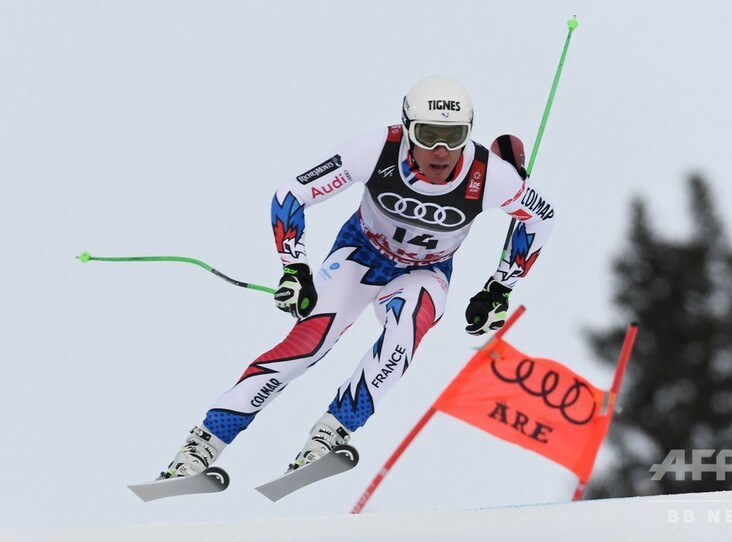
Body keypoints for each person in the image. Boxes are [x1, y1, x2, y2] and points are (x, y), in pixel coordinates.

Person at [159, 75, 556, 478]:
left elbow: (541, 218)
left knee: (404, 332)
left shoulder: (491, 176)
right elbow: (290, 195)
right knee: (308, 346)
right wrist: (294, 267)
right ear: (407, 128)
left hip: (426, 270)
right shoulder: (374, 149)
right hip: (360, 256)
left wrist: (499, 287)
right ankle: (202, 445)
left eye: (454, 137)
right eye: (428, 135)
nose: (441, 151)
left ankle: (330, 434)